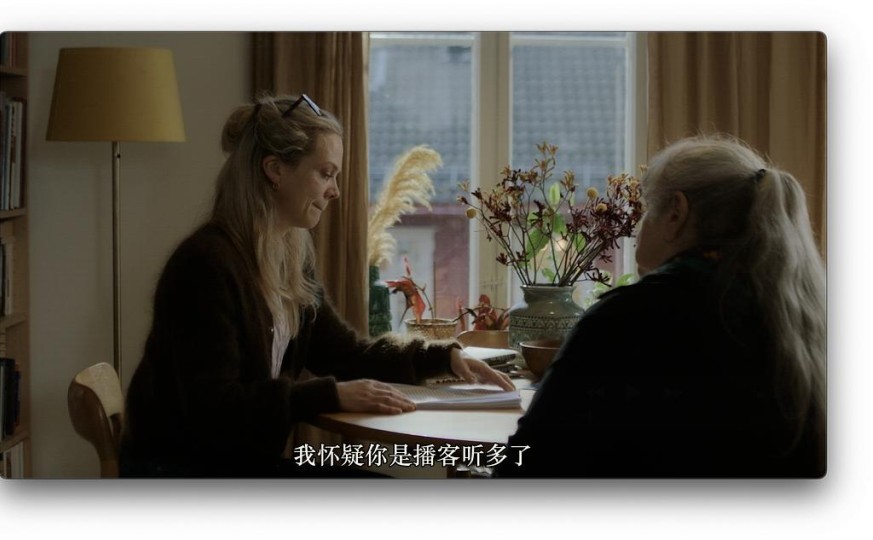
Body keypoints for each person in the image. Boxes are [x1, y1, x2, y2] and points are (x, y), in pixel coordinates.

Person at [119, 93, 514, 478]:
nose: (335, 190)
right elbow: (214, 407)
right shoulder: (204, 266)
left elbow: (346, 355)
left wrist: (442, 358)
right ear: (275, 170)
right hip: (185, 473)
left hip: (243, 466)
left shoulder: (290, 261)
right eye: (325, 173)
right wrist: (328, 395)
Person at [495, 134, 826, 478]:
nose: (638, 229)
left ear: (675, 214)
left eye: (647, 210)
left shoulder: (628, 319)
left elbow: (529, 464)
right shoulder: (802, 314)